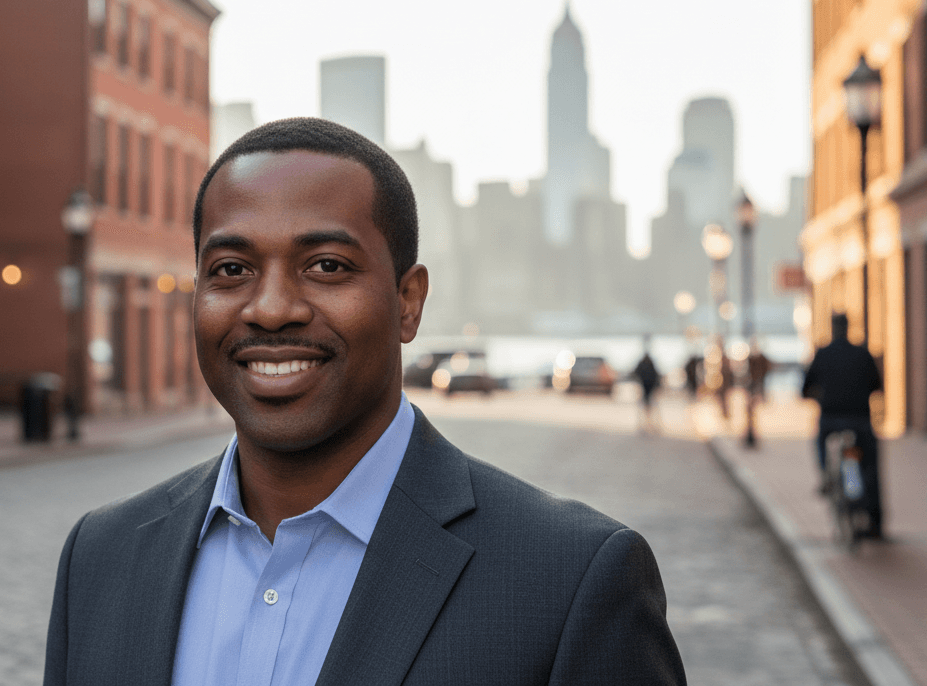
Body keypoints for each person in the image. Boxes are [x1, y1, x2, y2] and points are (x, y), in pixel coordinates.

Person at [45, 118, 684, 685]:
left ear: (408, 301)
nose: (270, 309)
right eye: (232, 270)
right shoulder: (100, 559)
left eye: (326, 266)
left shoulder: (570, 581)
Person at [802, 313, 883, 538]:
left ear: (833, 329)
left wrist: (814, 395)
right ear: (848, 328)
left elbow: (806, 386)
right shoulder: (862, 353)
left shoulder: (823, 353)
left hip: (831, 418)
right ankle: (875, 521)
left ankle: (825, 476)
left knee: (820, 441)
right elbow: (877, 385)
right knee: (870, 465)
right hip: (859, 419)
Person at [633, 336, 662, 434]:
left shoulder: (645, 363)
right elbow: (656, 375)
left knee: (648, 406)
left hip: (647, 387)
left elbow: (636, 373)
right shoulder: (648, 363)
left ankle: (648, 425)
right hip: (647, 387)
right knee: (648, 406)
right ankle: (647, 425)